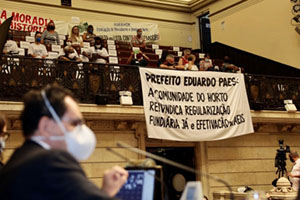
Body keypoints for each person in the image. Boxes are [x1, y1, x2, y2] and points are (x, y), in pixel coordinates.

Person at [0, 85, 128, 199]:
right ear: (45, 126)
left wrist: (105, 192)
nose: (81, 130)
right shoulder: (51, 161)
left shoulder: (18, 160)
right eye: (74, 123)